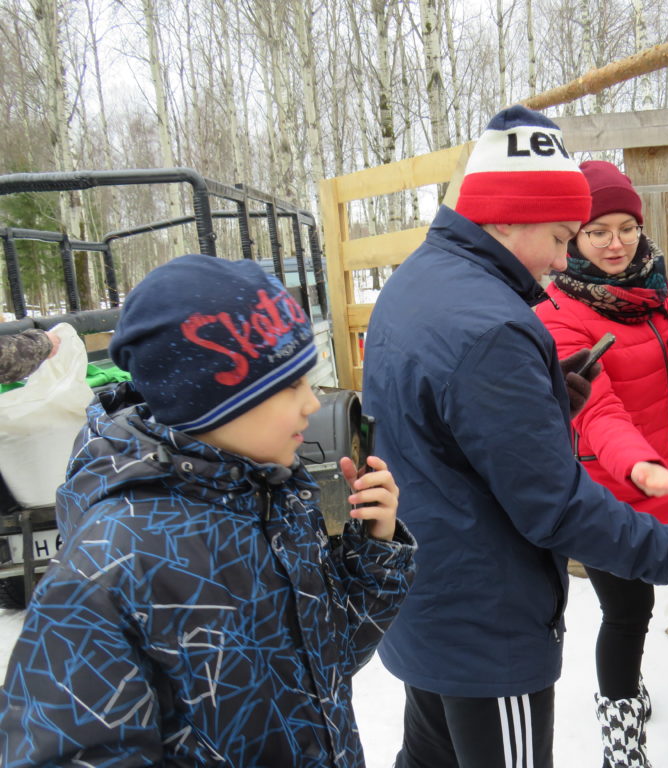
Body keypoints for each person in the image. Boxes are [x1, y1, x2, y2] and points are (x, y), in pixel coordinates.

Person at [361, 105, 668, 768]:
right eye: (563, 235)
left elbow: (447, 420)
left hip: (429, 598)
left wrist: (540, 393)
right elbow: (554, 505)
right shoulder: (493, 326)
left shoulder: (422, 278)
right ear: (510, 214)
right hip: (486, 625)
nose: (565, 258)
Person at [0, 254, 416, 768]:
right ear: (213, 398)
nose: (312, 404)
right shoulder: (108, 568)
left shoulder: (274, 499)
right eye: (291, 385)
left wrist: (374, 549)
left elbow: (324, 668)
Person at [535, 160, 668, 765]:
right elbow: (596, 411)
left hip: (655, 470)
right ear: (574, 236)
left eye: (626, 227)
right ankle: (621, 733)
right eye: (597, 231)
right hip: (606, 483)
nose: (616, 243)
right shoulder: (557, 314)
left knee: (631, 605)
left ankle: (629, 696)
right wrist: (638, 467)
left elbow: (656, 366)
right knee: (627, 611)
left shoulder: (651, 287)